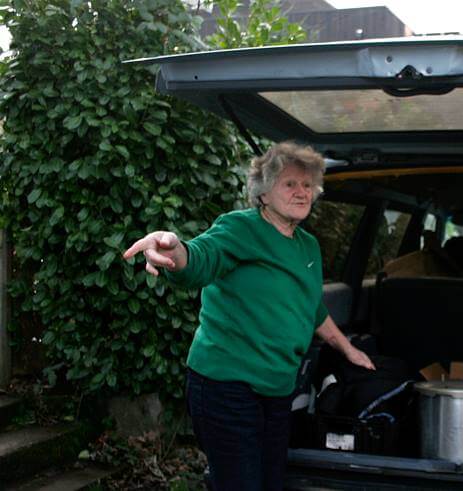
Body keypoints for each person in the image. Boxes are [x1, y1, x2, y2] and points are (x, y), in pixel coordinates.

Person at [123, 141, 375, 490]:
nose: (302, 192)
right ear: (263, 192)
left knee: (270, 481)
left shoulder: (307, 245)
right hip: (226, 385)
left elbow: (311, 306)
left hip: (278, 388)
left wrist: (348, 349)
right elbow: (200, 259)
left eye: (307, 185)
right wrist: (173, 249)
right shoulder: (240, 227)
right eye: (290, 184)